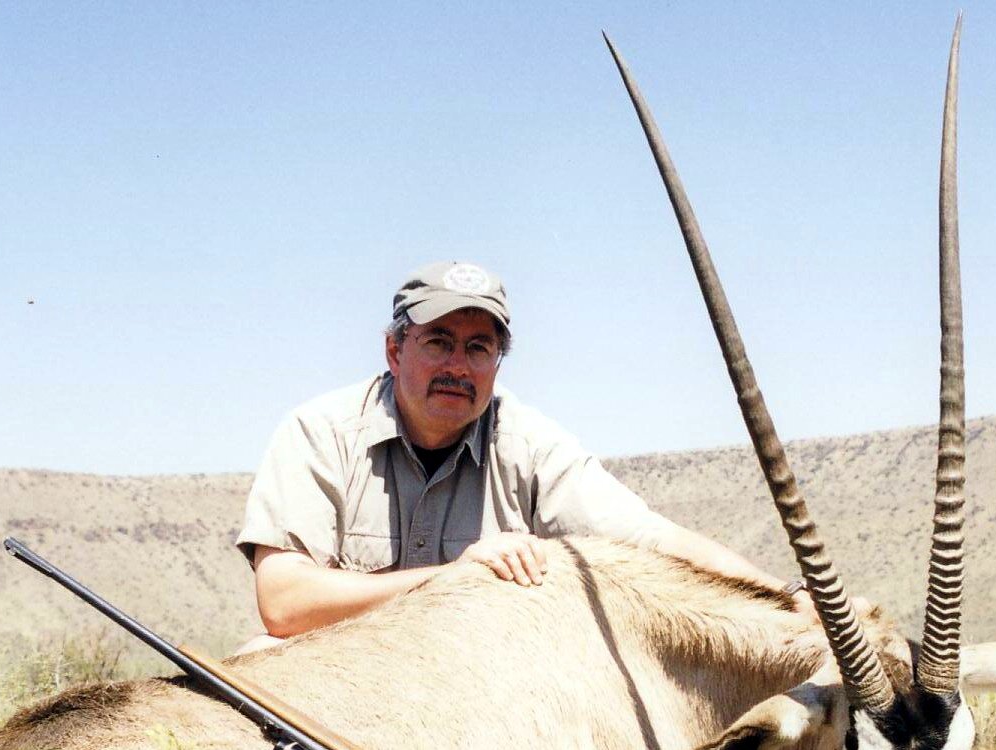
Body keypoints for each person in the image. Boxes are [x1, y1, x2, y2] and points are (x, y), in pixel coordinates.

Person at [237, 260, 813, 645]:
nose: (457, 367)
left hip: (474, 686)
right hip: (339, 676)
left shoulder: (529, 443)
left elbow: (651, 539)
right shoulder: (319, 431)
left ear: (498, 363)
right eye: (437, 342)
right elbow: (285, 602)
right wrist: (454, 579)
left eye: (478, 348)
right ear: (394, 350)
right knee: (252, 665)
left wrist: (786, 599)